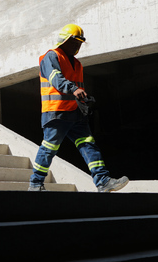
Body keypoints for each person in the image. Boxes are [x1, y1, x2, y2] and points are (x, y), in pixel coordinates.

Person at [29, 23, 129, 193]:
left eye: (80, 43)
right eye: (74, 42)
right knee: (49, 148)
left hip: (75, 114)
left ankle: (103, 181)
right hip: (56, 112)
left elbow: (75, 87)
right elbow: (56, 79)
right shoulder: (51, 57)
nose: (77, 46)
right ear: (65, 40)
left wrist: (83, 101)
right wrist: (74, 89)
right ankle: (36, 183)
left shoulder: (76, 63)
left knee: (88, 144)